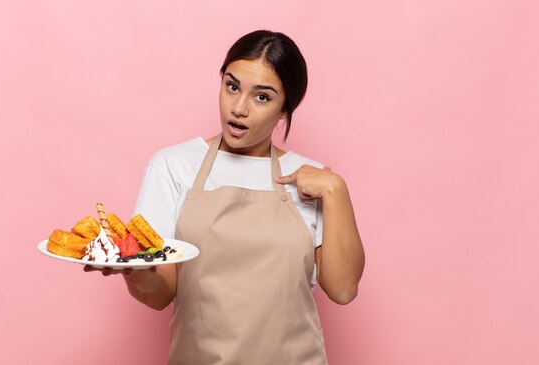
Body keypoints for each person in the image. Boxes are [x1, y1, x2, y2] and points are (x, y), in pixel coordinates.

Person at [86, 30, 365, 364]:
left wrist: (336, 190)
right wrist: (132, 269)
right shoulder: (173, 167)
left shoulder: (313, 179)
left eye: (262, 97)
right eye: (232, 86)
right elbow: (161, 295)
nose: (239, 108)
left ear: (284, 110)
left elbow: (344, 289)